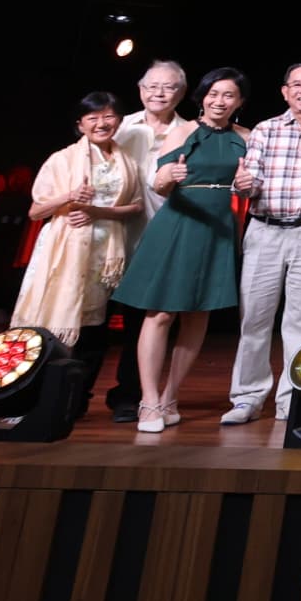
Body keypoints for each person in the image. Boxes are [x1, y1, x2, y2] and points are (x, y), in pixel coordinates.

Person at [111, 67, 249, 432]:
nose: (219, 101)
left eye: (228, 95)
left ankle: (171, 397)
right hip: (180, 223)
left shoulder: (246, 137)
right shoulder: (183, 131)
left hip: (219, 228)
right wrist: (169, 177)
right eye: (213, 94)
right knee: (160, 314)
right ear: (202, 97)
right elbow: (157, 183)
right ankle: (149, 401)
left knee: (198, 314)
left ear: (239, 102)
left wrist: (249, 185)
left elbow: (252, 185)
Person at [223, 63, 301, 426]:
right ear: (285, 91)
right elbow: (248, 183)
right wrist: (243, 183)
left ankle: (292, 399)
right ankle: (247, 397)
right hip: (264, 230)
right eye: (297, 85)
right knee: (255, 319)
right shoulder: (264, 129)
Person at [11, 91, 143, 407]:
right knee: (50, 319)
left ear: (119, 121)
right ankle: (34, 396)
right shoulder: (62, 159)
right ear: (80, 125)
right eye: (93, 118)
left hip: (105, 256)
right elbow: (35, 210)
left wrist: (99, 211)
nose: (102, 123)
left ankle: (76, 398)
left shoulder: (126, 161)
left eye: (108, 116)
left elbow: (136, 207)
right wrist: (69, 196)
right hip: (65, 251)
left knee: (94, 328)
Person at [105, 59, 193, 422]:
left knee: (142, 319)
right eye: (151, 85)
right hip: (110, 235)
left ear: (182, 93)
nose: (158, 92)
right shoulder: (119, 128)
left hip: (161, 235)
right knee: (94, 319)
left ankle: (129, 395)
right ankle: (71, 393)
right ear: (140, 89)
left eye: (168, 86)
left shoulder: (190, 132)